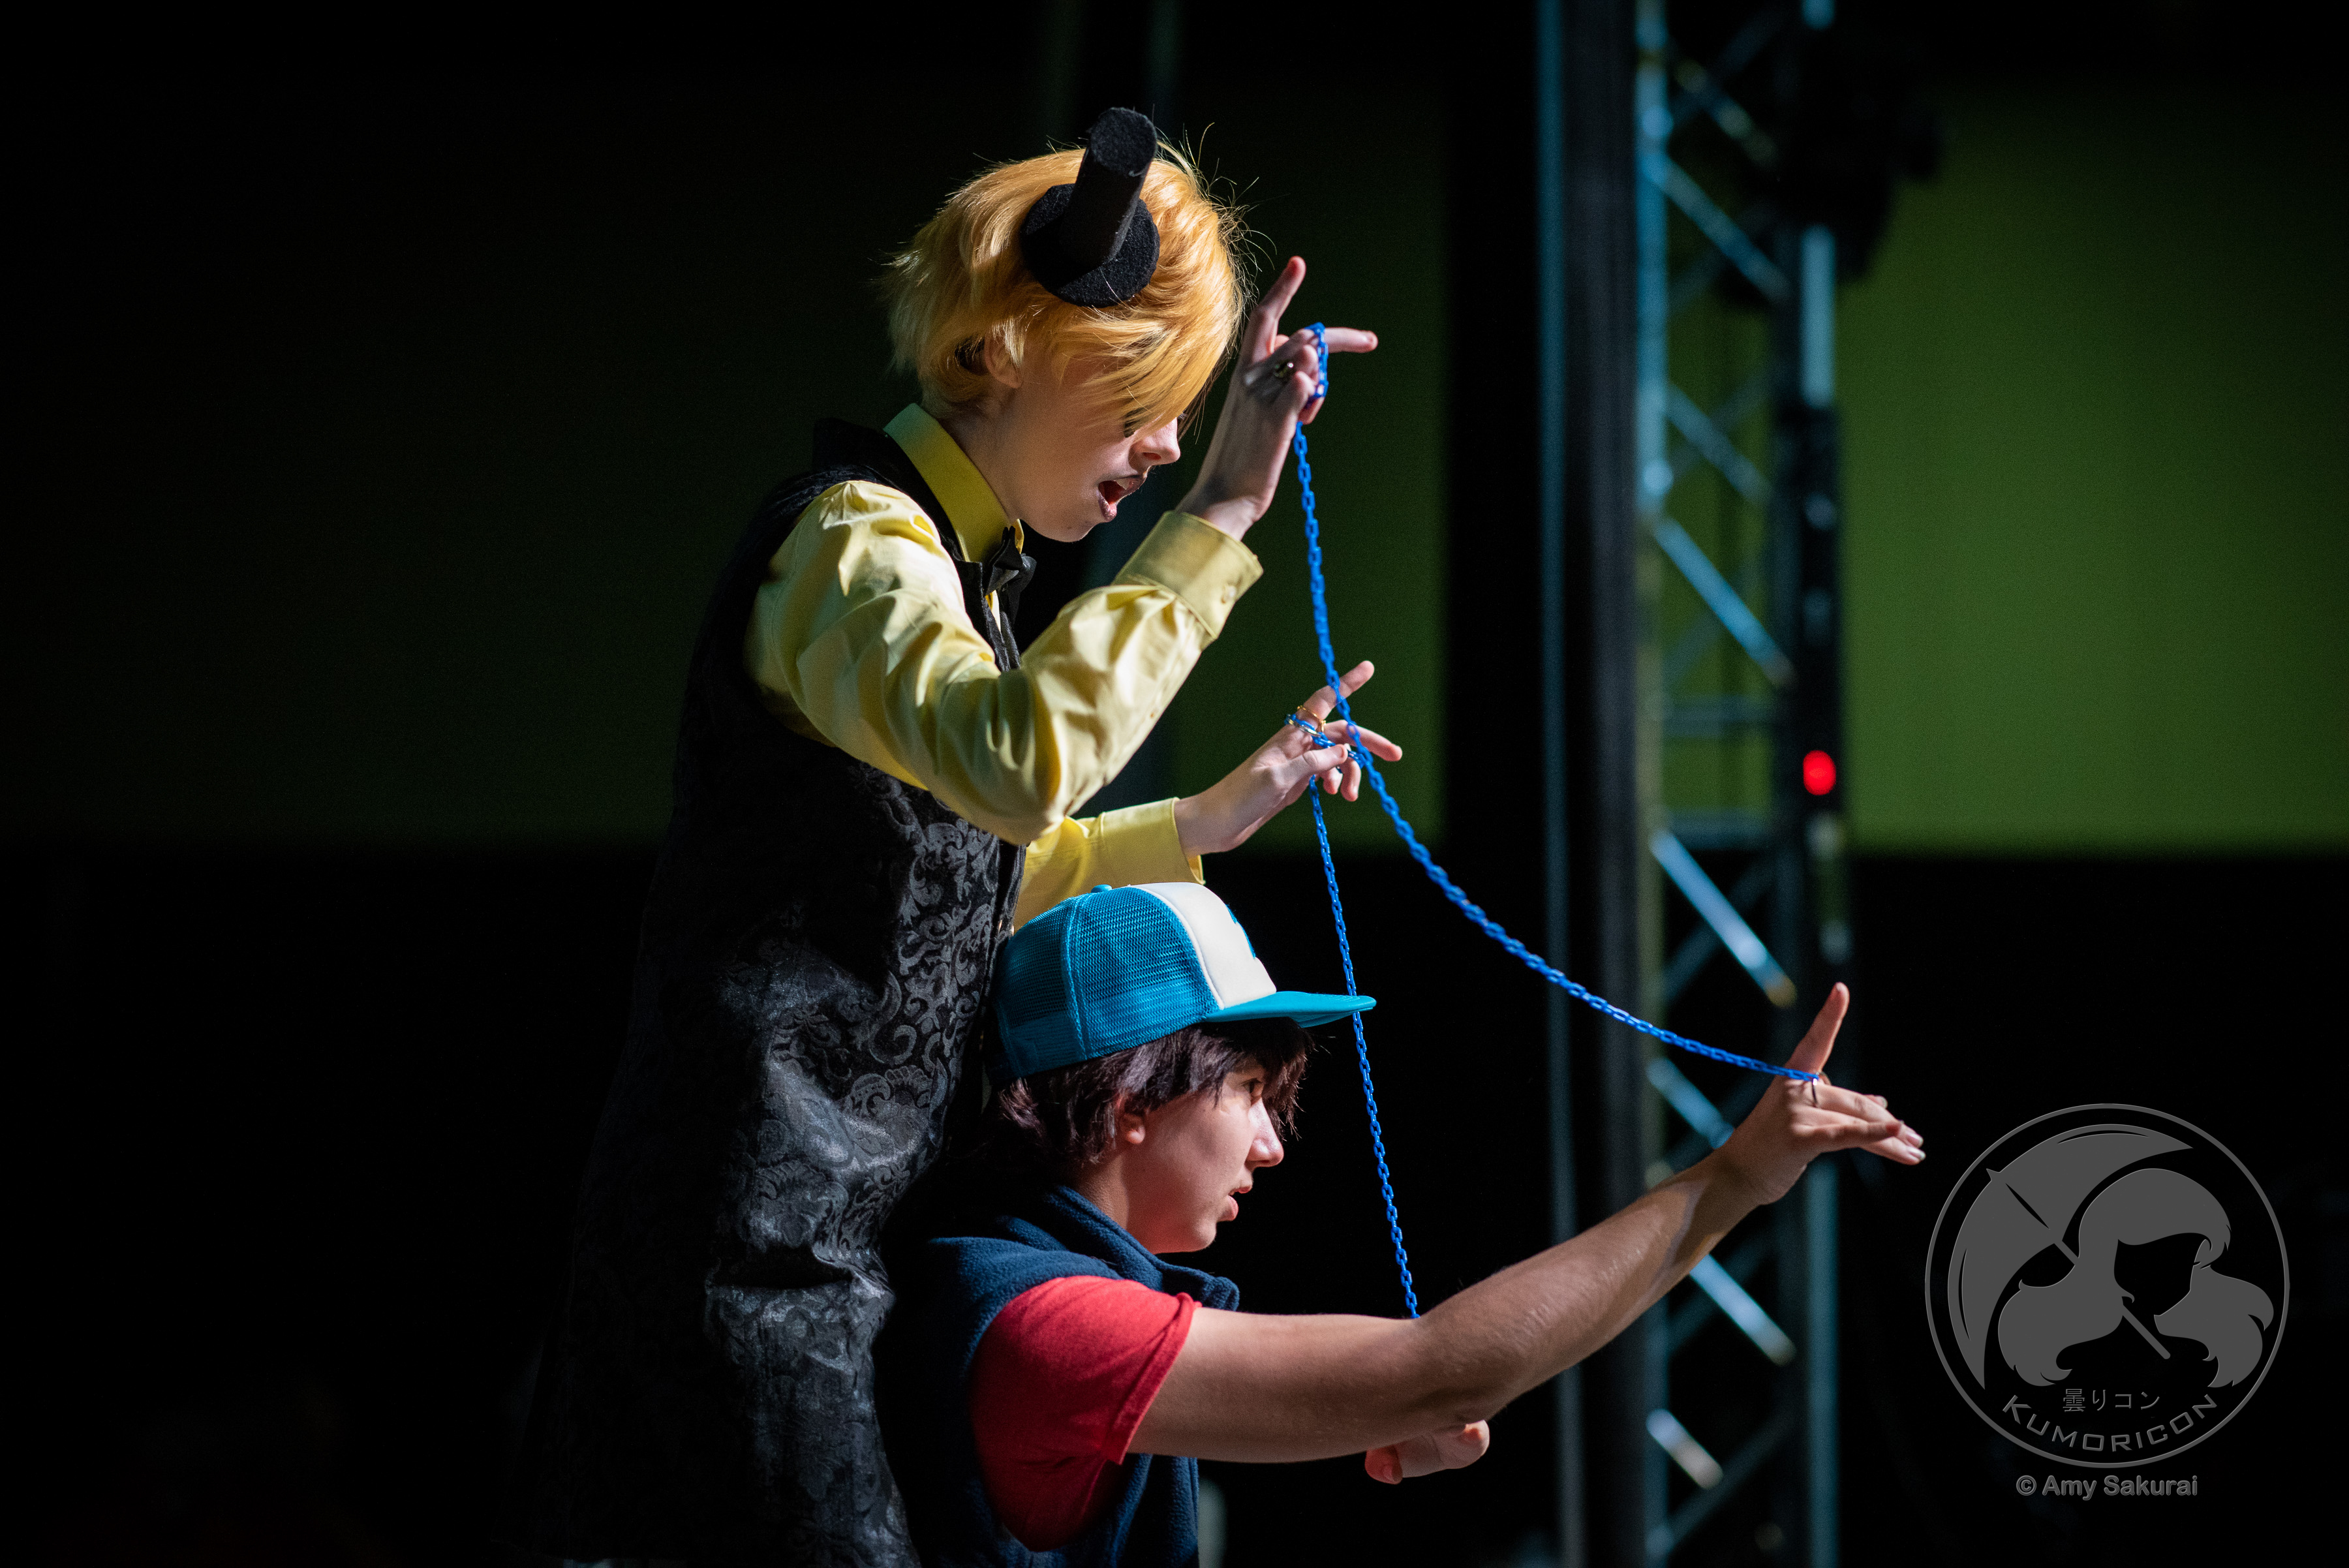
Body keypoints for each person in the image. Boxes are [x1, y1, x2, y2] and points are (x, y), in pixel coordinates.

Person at [510, 111, 1394, 1566]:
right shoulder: (853, 547)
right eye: (1144, 398)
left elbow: (947, 876)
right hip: (743, 1264)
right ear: (1008, 348)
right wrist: (1223, 510)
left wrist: (1204, 819)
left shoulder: (956, 580)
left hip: (839, 1256)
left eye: (1183, 412)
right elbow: (1017, 765)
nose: (1167, 443)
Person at [879, 882, 1926, 1567]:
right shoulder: (1048, 1330)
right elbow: (1446, 1371)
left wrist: (1376, 1409)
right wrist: (1730, 1181)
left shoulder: (1024, 1285)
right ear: (1130, 1105)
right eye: (1250, 1092)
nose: (1271, 1146)